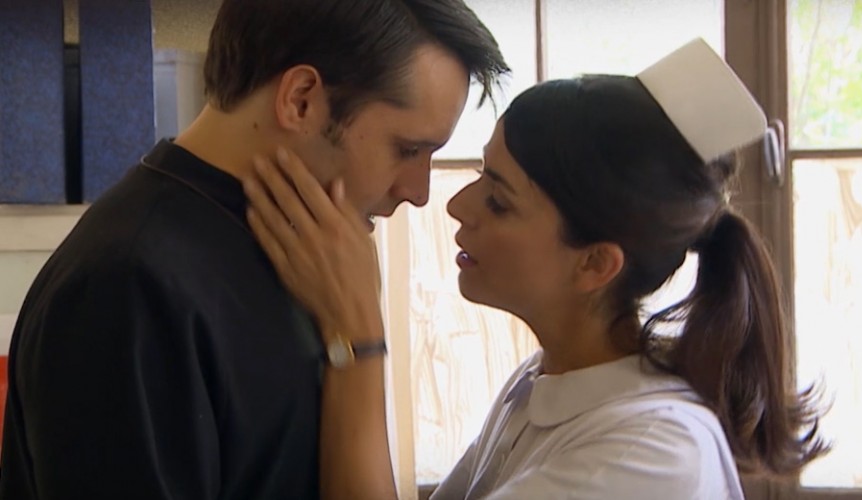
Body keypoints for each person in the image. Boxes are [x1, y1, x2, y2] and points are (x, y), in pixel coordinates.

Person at [242, 39, 829, 499]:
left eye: (499, 200)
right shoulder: (539, 382)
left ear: (595, 263)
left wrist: (357, 338)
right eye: (481, 174)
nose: (456, 206)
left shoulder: (656, 452)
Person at [0, 1, 508, 498]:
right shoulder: (127, 284)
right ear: (301, 99)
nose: (419, 191)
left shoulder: (307, 250)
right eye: (408, 149)